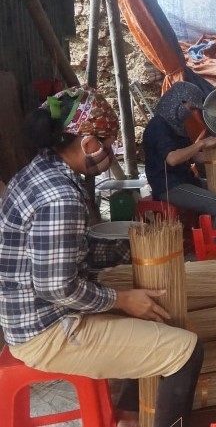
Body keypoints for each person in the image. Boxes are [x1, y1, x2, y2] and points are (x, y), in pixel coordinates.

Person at [0, 87, 203, 427]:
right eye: (108, 145)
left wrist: (132, 248)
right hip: (48, 333)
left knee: (150, 324)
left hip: (35, 319)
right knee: (187, 351)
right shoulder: (59, 198)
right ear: (88, 143)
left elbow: (72, 251)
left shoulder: (40, 169)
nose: (110, 153)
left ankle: (129, 418)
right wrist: (122, 299)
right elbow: (56, 287)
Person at [143, 81, 216, 228]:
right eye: (191, 108)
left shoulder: (178, 126)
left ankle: (213, 235)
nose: (192, 113)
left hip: (186, 180)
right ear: (178, 101)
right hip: (169, 186)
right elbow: (173, 159)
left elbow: (194, 156)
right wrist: (201, 143)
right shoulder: (158, 126)